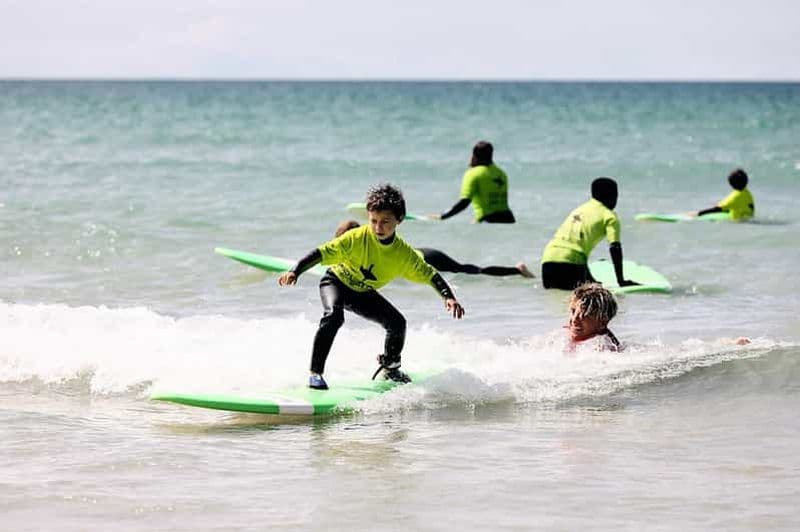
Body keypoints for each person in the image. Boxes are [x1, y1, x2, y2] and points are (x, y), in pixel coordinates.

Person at [278, 184, 465, 390]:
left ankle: (390, 368)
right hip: (336, 282)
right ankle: (315, 374)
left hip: (362, 292)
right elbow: (321, 252)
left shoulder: (403, 254)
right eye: (373, 221)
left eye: (385, 222)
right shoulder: (357, 237)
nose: (378, 228)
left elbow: (430, 274)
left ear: (399, 219)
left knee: (397, 323)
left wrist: (448, 297)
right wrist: (295, 270)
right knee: (334, 317)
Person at [334, 220, 534, 278]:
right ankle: (516, 270)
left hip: (426, 259)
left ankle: (517, 271)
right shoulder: (370, 241)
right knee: (467, 269)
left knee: (470, 272)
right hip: (425, 252)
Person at [541, 177, 638, 290]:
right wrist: (621, 280)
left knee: (556, 301)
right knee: (585, 303)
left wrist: (592, 280)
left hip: (548, 262)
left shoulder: (579, 210)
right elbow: (615, 247)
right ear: (612, 196)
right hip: (571, 264)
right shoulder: (609, 216)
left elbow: (574, 246)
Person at [432, 141, 516, 223]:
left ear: (474, 155)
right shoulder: (501, 173)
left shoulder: (472, 174)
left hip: (488, 220)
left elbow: (464, 203)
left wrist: (442, 216)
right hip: (509, 219)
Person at [565, 283, 622, 352]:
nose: (574, 320)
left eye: (583, 315)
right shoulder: (566, 336)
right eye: (573, 312)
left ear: (603, 322)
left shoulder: (600, 347)